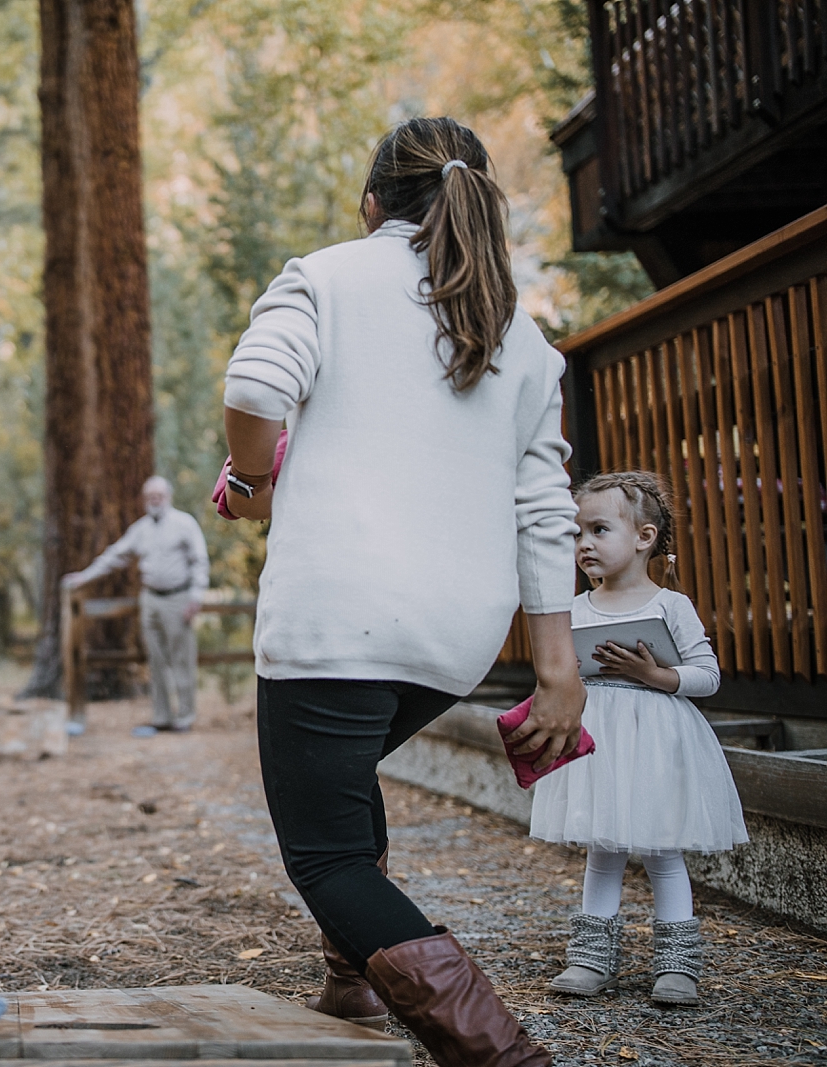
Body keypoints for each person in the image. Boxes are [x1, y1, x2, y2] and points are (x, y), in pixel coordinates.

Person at [220, 117, 585, 1066]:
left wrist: (253, 481)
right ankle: (351, 984)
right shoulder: (520, 331)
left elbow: (258, 388)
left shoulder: (329, 275)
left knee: (326, 852)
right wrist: (558, 670)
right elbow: (545, 505)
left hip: (337, 618)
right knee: (343, 784)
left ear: (374, 202)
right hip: (455, 639)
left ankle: (503, 1056)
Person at [531, 472, 746, 1007]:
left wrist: (656, 677)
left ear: (644, 538)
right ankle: (589, 959)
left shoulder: (670, 606)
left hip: (656, 744)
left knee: (662, 850)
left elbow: (708, 675)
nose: (584, 544)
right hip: (601, 745)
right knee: (602, 848)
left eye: (599, 529)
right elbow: (560, 673)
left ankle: (677, 967)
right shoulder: (575, 610)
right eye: (576, 533)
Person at [63, 477, 209, 737]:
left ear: (168, 497)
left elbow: (200, 561)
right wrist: (84, 576)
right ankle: (162, 717)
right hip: (150, 599)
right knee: (156, 659)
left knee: (181, 659)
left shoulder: (184, 524)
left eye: (159, 495)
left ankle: (185, 716)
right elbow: (115, 556)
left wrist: (196, 597)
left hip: (179, 598)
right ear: (144, 500)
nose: (155, 500)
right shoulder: (141, 529)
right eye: (150, 496)